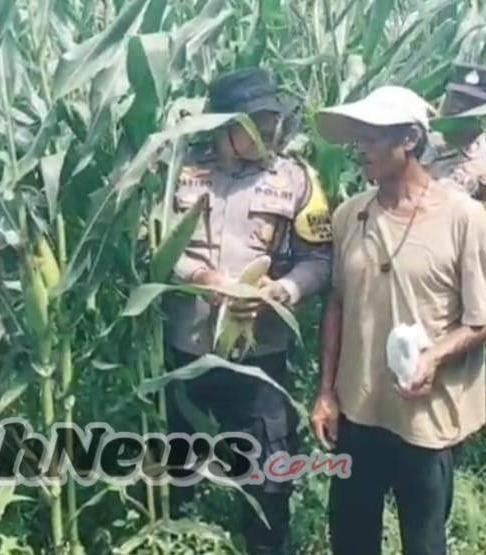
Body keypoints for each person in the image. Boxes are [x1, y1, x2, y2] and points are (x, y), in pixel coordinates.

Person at [309, 86, 486, 555]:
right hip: (358, 412)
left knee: (423, 541)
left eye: (373, 137)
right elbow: (337, 303)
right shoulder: (349, 215)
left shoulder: (463, 218)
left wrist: (434, 356)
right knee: (351, 539)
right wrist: (325, 393)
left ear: (412, 139)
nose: (359, 148)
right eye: (357, 137)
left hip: (426, 418)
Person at [164, 67, 332, 555]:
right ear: (223, 125)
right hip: (186, 349)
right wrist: (202, 278)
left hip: (261, 357)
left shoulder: (297, 179)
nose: (271, 131)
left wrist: (285, 291)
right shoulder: (179, 172)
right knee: (183, 467)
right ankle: (183, 538)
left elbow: (319, 258)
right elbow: (149, 245)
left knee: (268, 476)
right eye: (257, 121)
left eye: (274, 119)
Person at [423, 63, 486, 284]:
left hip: (449, 281)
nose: (457, 107)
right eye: (454, 98)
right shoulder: (416, 145)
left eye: (470, 104)